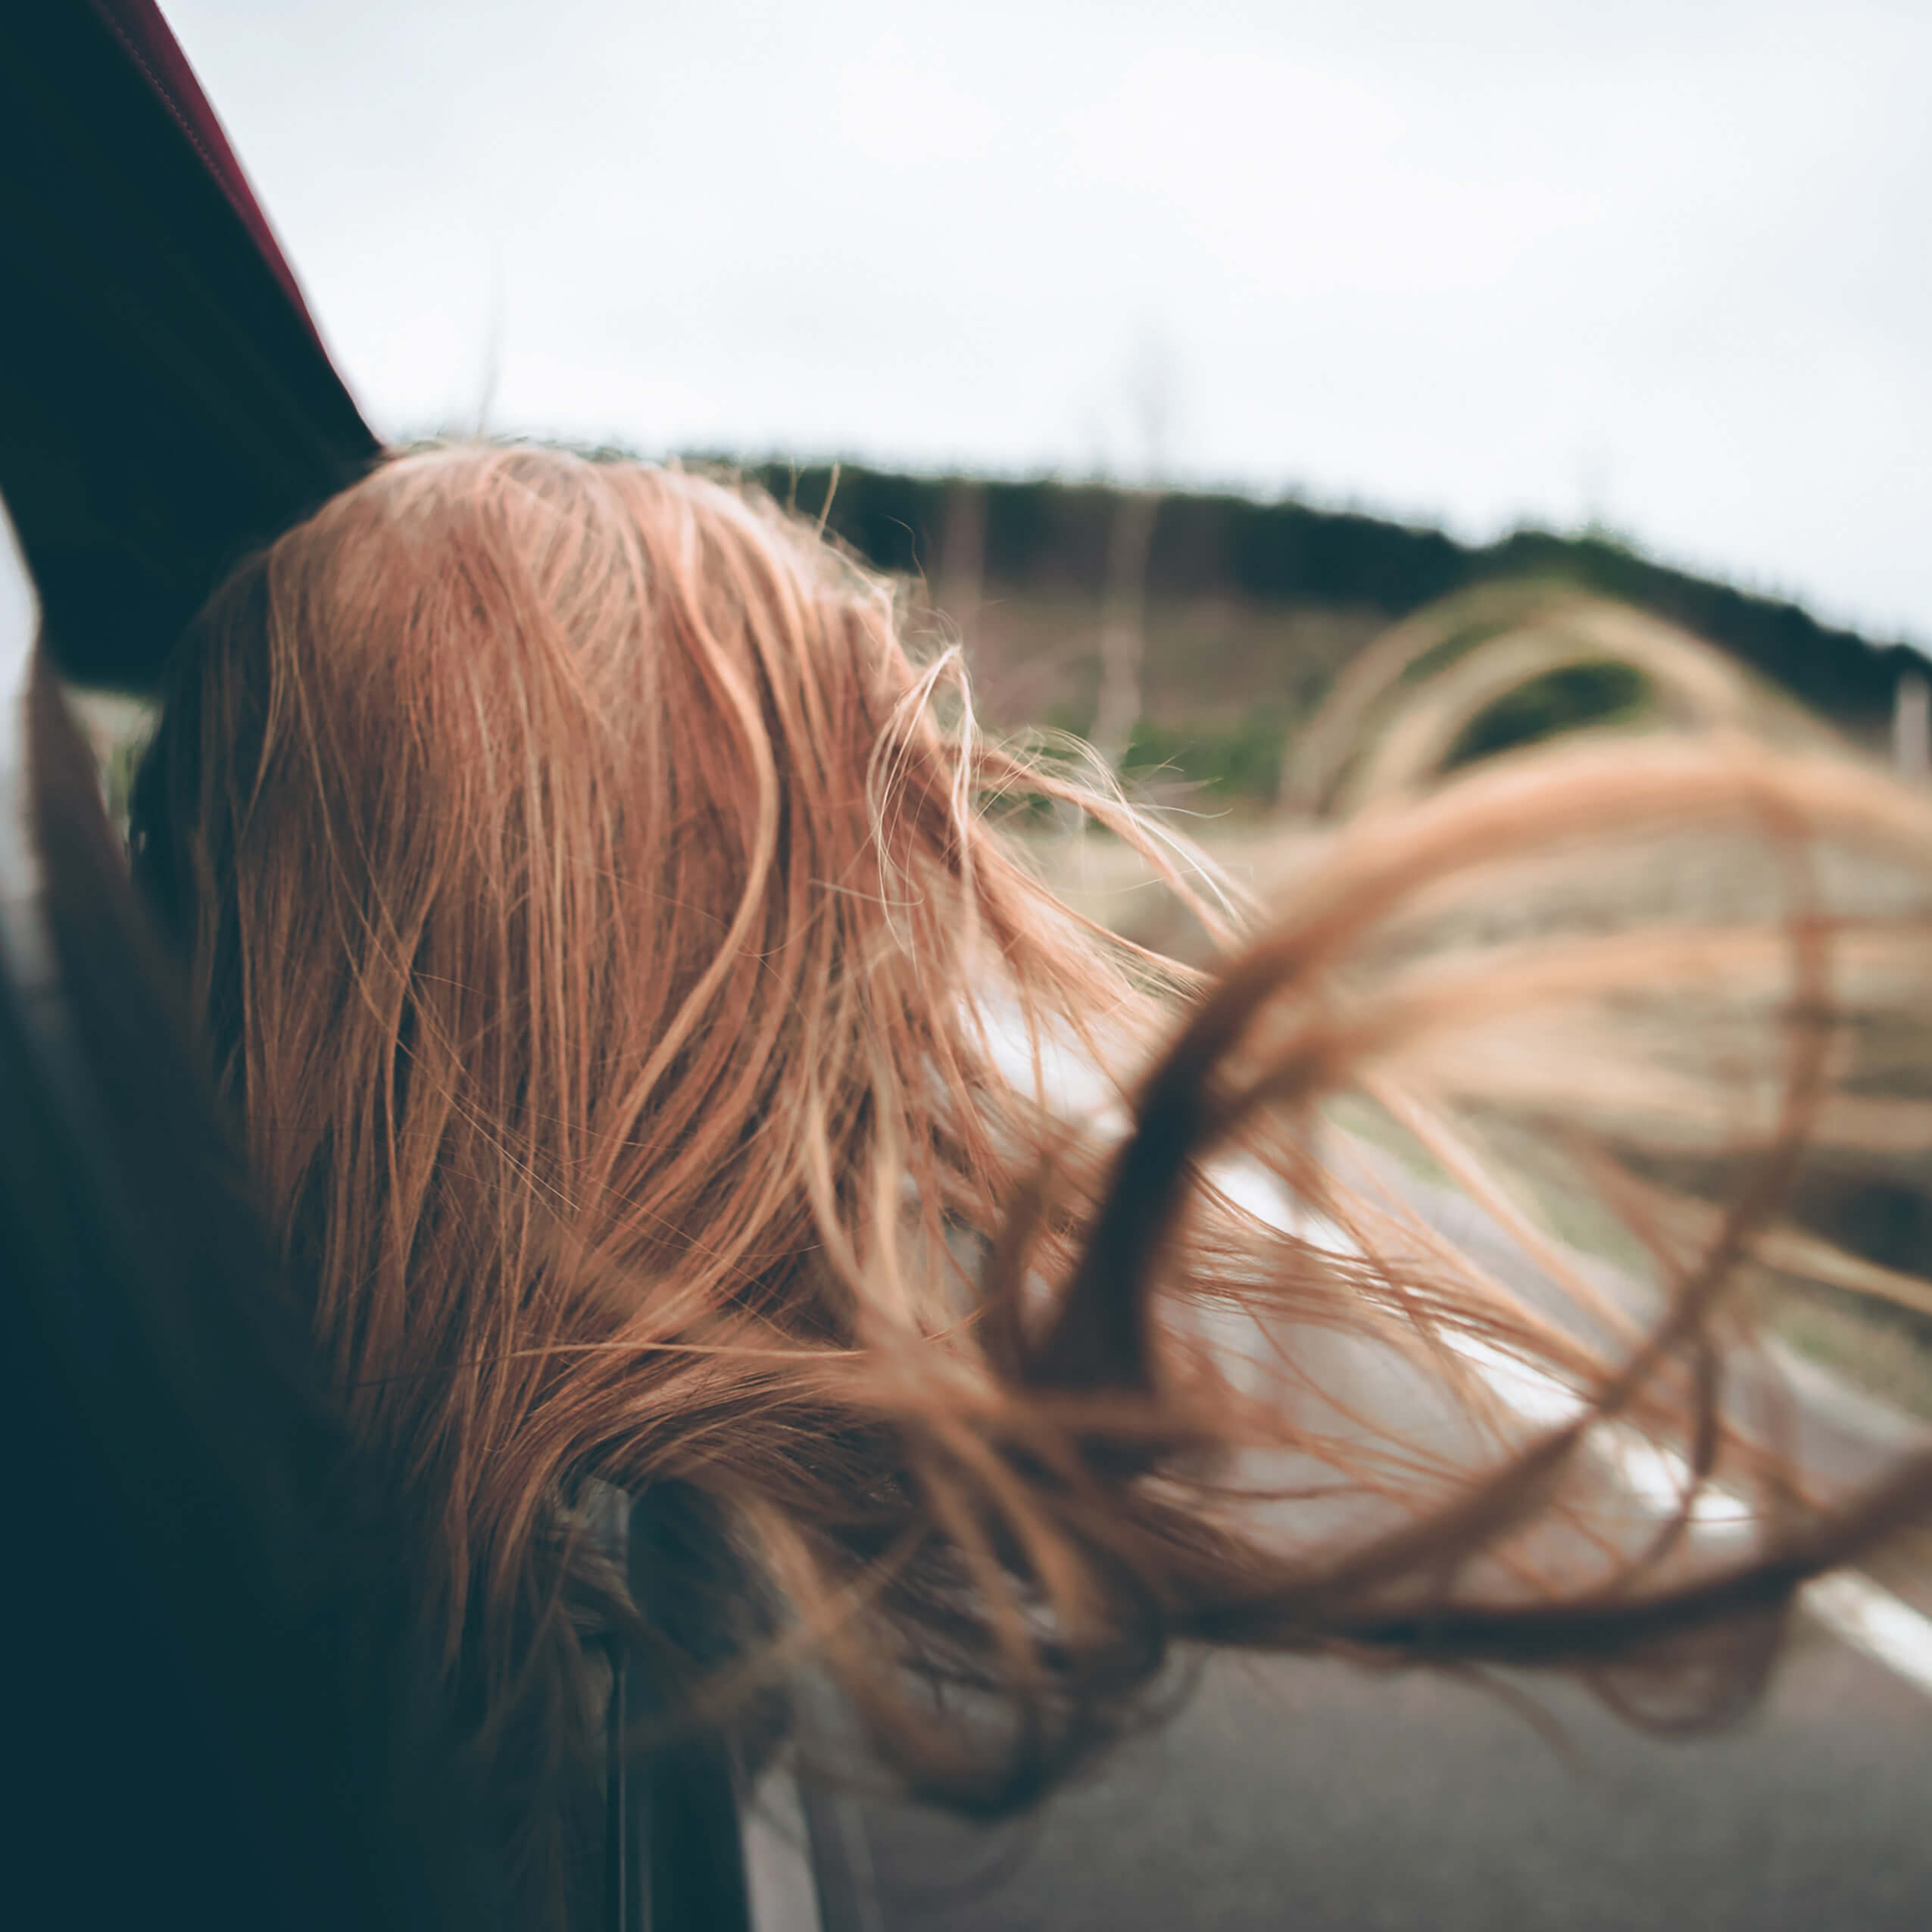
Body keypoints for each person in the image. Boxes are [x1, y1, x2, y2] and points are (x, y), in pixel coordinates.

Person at [129, 439, 1932, 1925]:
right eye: (814, 911)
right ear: (623, 1000)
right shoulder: (540, 1658)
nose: (883, 1025)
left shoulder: (164, 1536)